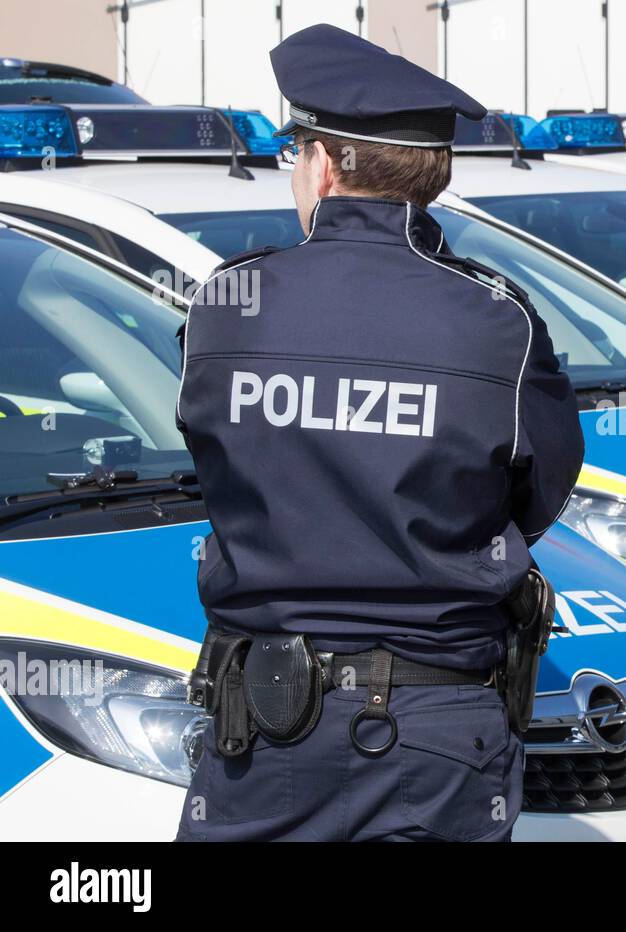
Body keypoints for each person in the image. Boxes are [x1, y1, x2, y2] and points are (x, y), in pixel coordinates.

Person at [174, 24, 583, 841]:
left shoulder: (228, 303)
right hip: (441, 732)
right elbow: (541, 488)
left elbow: (216, 460)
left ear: (323, 165)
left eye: (297, 154)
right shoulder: (498, 318)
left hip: (266, 728)